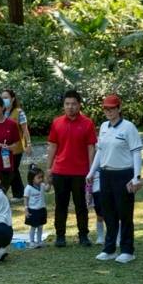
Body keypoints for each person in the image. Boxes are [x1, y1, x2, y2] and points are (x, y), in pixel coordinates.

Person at [90, 93, 143, 263]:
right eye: (106, 108)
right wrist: (91, 172)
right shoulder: (104, 126)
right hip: (106, 174)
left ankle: (128, 250)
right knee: (108, 213)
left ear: (119, 108)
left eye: (112, 108)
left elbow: (136, 152)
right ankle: (110, 248)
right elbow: (100, 150)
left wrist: (136, 177)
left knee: (125, 213)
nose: (109, 111)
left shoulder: (129, 127)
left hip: (124, 174)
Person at [44, 90, 96, 249]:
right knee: (61, 205)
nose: (70, 107)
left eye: (73, 104)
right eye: (67, 104)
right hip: (60, 171)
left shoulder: (87, 123)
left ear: (79, 104)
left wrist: (91, 170)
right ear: (63, 105)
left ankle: (83, 235)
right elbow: (53, 146)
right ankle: (60, 236)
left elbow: (91, 148)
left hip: (81, 172)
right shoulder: (57, 122)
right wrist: (49, 168)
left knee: (81, 205)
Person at [22, 166, 48, 249]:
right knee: (33, 226)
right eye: (39, 177)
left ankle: (39, 241)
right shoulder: (28, 188)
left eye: (42, 177)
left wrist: (50, 183)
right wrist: (26, 209)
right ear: (32, 179)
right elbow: (26, 198)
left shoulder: (42, 185)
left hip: (42, 209)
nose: (41, 179)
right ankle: (32, 242)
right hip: (33, 210)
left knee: (40, 226)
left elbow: (47, 189)